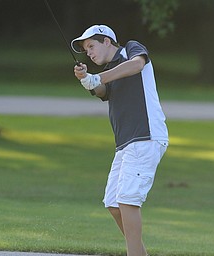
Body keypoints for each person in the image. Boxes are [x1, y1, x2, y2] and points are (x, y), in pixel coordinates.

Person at [71, 24, 168, 256]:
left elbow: (136, 65)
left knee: (127, 202)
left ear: (107, 41)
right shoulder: (112, 69)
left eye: (91, 46)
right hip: (126, 143)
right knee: (114, 204)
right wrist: (87, 79)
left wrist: (98, 77)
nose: (89, 53)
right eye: (86, 50)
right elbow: (104, 92)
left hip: (145, 136)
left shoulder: (130, 50)